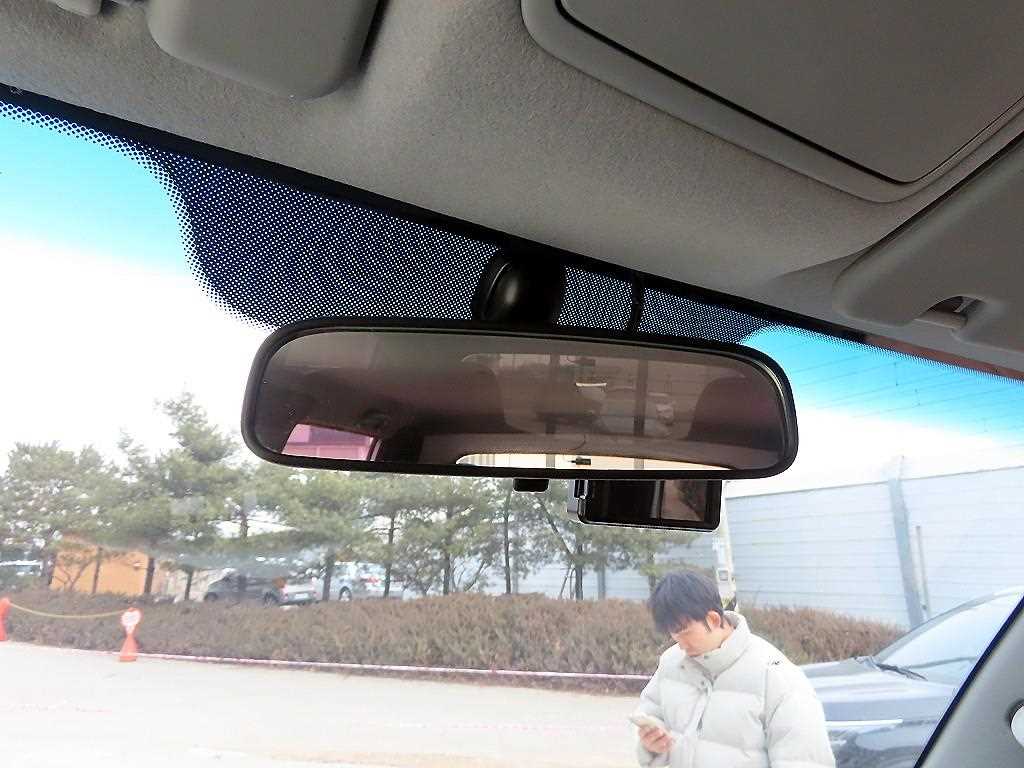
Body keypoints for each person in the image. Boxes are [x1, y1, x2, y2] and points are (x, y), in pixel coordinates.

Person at [634, 571, 835, 768]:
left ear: (713, 619)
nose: (681, 645)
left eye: (686, 633)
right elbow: (650, 714)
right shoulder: (671, 662)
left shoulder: (776, 675)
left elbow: (803, 759)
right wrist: (651, 745)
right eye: (674, 636)